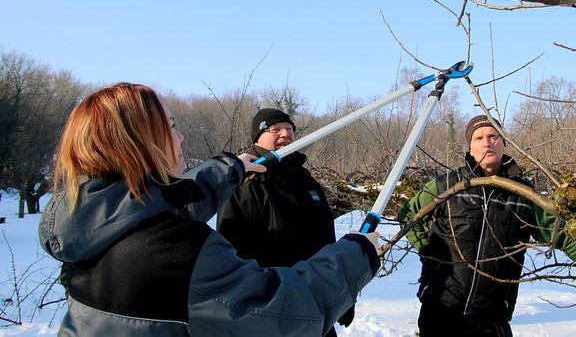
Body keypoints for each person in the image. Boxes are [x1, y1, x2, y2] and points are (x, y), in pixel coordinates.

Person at [39, 82, 380, 337]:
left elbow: (168, 201)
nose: (181, 136)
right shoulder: (175, 252)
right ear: (141, 144)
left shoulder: (90, 223)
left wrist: (229, 169)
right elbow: (282, 310)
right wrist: (358, 255)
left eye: (289, 129)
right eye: (171, 127)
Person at [397, 114, 576, 337]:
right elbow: (408, 214)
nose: (487, 142)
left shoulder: (524, 196)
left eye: (494, 136)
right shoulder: (446, 186)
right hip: (441, 309)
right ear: (470, 148)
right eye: (479, 137)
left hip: (492, 316)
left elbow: (564, 238)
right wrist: (428, 254)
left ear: (503, 144)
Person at [217, 108, 355, 335]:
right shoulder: (246, 182)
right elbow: (232, 252)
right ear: (258, 137)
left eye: (290, 129)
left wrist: (342, 293)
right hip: (273, 307)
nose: (285, 134)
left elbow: (325, 240)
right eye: (276, 129)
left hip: (316, 300)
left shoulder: (304, 178)